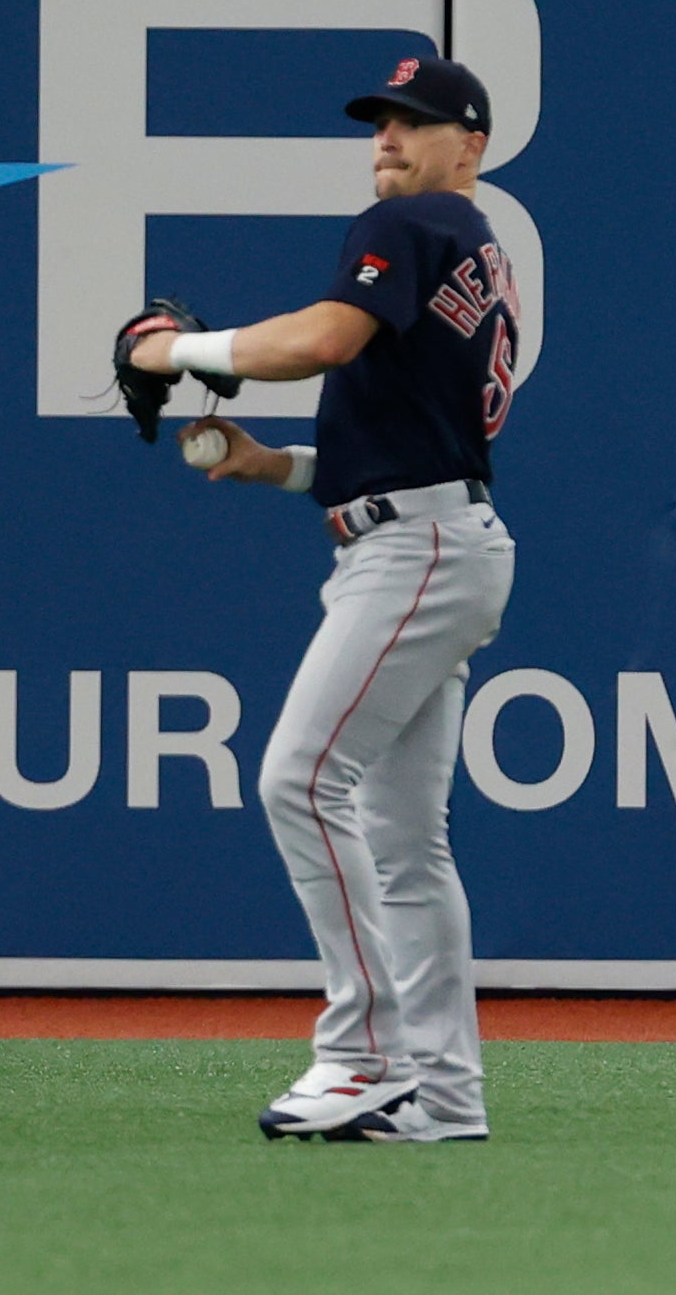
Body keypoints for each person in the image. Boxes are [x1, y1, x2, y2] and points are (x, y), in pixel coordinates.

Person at [124, 56, 524, 1140]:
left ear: (469, 146)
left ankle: (365, 1053)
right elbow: (406, 437)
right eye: (382, 121)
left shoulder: (423, 221)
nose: (390, 138)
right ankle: (442, 1094)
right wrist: (282, 467)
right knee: (403, 839)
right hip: (435, 530)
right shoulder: (471, 252)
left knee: (299, 779)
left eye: (418, 121)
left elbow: (322, 340)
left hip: (418, 552)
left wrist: (177, 350)